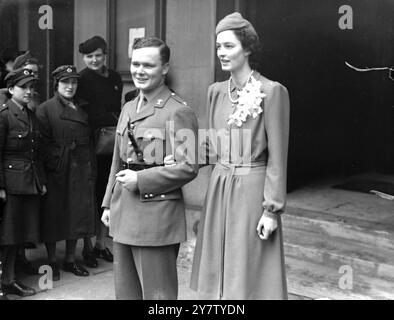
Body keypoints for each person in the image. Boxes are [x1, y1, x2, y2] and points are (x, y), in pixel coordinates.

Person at [190, 12, 290, 299]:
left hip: (251, 191)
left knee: (249, 271)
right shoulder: (216, 92)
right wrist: (180, 160)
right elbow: (210, 147)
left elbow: (278, 158)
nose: (221, 53)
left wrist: (271, 210)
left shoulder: (272, 92)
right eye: (218, 46)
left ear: (247, 48)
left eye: (229, 46)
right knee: (218, 268)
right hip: (219, 188)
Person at [101, 37, 199, 299]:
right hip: (124, 211)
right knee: (126, 293)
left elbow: (189, 167)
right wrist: (109, 203)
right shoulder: (129, 107)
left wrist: (141, 179)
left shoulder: (178, 111)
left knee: (158, 297)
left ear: (164, 68)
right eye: (135, 64)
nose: (139, 71)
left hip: (156, 214)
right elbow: (117, 160)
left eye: (148, 65)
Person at [36, 65, 97, 280]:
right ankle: (51, 260)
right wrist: (59, 161)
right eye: (65, 82)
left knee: (77, 214)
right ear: (56, 84)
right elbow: (42, 144)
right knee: (53, 216)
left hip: (80, 168)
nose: (70, 87)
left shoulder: (81, 107)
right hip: (58, 170)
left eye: (73, 82)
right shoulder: (46, 109)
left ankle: (70, 259)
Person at [0, 68, 47, 298]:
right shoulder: (4, 115)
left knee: (16, 236)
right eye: (23, 87)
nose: (29, 91)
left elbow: (35, 152)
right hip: (10, 185)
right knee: (5, 238)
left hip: (28, 182)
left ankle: (9, 280)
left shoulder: (30, 114)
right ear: (10, 90)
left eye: (31, 87)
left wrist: (41, 181)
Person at [77, 36, 123, 268]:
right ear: (83, 58)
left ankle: (101, 243)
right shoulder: (81, 79)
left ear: (105, 54)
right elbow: (84, 112)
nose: (94, 60)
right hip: (90, 142)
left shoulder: (115, 77)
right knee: (90, 194)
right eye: (89, 56)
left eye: (98, 55)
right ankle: (86, 246)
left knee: (109, 190)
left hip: (112, 142)